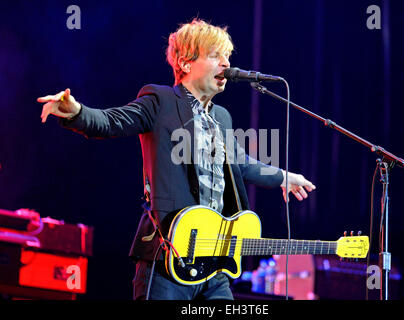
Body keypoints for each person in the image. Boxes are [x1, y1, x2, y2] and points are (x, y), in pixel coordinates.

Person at [37, 19, 316, 300]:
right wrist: (76, 111)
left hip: (215, 266)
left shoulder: (221, 118)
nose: (226, 64)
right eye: (215, 56)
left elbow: (240, 163)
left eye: (227, 57)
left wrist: (283, 176)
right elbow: (110, 121)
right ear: (184, 63)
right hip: (168, 259)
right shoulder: (160, 101)